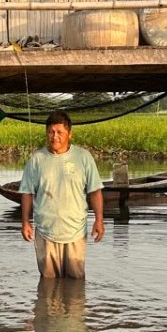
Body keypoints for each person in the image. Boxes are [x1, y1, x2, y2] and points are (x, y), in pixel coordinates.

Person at [20, 110, 105, 279]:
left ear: (69, 134)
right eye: (51, 132)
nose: (55, 136)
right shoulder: (37, 159)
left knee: (76, 283)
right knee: (47, 284)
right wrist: (25, 222)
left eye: (60, 132)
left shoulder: (83, 157)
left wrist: (99, 220)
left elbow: (95, 190)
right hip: (45, 231)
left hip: (75, 231)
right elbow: (27, 192)